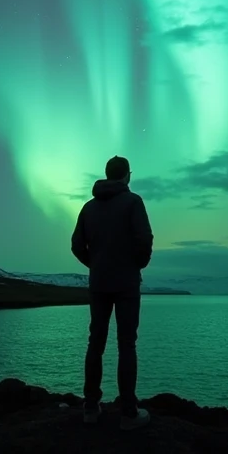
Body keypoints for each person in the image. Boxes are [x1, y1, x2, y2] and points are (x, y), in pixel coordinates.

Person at [71, 154, 153, 430]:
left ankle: (90, 407)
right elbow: (144, 239)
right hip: (126, 283)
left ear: (107, 174)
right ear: (127, 175)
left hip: (99, 283)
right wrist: (135, 265)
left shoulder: (88, 207)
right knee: (126, 344)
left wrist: (95, 264)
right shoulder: (133, 202)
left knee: (96, 342)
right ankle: (128, 412)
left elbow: (76, 245)